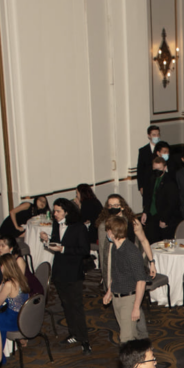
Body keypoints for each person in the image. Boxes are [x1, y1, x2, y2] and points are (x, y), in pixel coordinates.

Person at [39, 198, 92, 352]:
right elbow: (56, 242)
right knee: (66, 305)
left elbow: (84, 251)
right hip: (59, 271)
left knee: (76, 306)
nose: (54, 214)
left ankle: (84, 339)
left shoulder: (79, 228)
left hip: (74, 272)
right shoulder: (56, 224)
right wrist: (47, 241)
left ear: (67, 212)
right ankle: (73, 333)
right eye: (54, 211)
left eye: (58, 211)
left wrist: (63, 249)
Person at [102, 215, 149, 343]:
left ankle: (133, 361)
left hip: (129, 299)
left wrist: (136, 307)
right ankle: (141, 359)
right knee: (132, 336)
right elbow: (116, 274)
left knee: (126, 339)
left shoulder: (131, 251)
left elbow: (141, 281)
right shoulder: (115, 248)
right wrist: (109, 292)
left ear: (111, 232)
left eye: (107, 230)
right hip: (117, 298)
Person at [0, 253, 30, 346]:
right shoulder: (21, 278)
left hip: (13, 319)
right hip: (23, 317)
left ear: (4, 267)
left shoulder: (9, 284)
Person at [136, 125, 163, 212]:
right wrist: (141, 186)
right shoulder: (143, 151)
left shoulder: (164, 149)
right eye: (154, 135)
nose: (156, 137)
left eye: (158, 134)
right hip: (148, 183)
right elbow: (140, 169)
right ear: (149, 135)